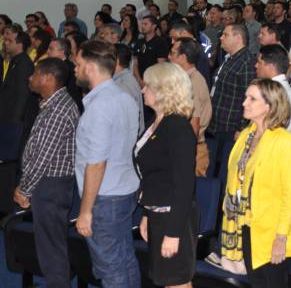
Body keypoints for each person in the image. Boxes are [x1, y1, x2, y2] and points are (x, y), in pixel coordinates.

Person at [220, 79, 291, 286]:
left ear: (269, 106)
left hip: (273, 232)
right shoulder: (246, 135)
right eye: (246, 97)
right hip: (247, 227)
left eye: (252, 99)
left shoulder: (284, 141)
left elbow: (289, 195)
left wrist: (281, 238)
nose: (244, 103)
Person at [73, 40, 142, 287]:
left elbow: (97, 163)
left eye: (78, 64)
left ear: (90, 67)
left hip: (105, 197)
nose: (74, 68)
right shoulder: (123, 97)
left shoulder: (101, 106)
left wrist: (84, 211)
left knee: (110, 269)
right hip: (123, 191)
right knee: (125, 261)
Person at [14, 58, 80, 288]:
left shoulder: (58, 110)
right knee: (50, 246)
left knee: (52, 249)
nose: (29, 78)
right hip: (49, 185)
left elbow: (42, 157)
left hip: (50, 186)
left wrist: (24, 188)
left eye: (34, 73)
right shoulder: (53, 105)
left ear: (48, 79)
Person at [135, 63, 198, 288]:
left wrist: (174, 233)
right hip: (158, 214)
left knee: (176, 283)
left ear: (164, 90)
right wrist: (146, 212)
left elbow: (184, 185)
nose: (143, 90)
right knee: (165, 281)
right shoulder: (158, 122)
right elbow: (155, 175)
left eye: (148, 86)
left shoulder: (177, 126)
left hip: (174, 220)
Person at [207, 24, 257, 174]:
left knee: (225, 169)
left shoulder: (247, 62)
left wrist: (241, 128)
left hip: (231, 127)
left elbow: (250, 97)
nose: (221, 37)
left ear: (238, 38)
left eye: (225, 35)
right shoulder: (229, 58)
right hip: (217, 123)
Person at [168, 39, 213, 176]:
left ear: (183, 57)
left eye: (172, 53)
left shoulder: (192, 82)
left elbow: (195, 123)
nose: (169, 56)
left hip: (191, 151)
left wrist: (185, 155)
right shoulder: (186, 79)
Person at [255, 44, 291, 135]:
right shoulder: (280, 87)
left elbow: (271, 126)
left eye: (259, 62)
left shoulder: (278, 91)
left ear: (270, 66)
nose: (256, 66)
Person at [0, 28, 37, 125]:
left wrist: (16, 120)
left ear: (19, 44)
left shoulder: (24, 63)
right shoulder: (15, 60)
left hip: (13, 119)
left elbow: (23, 93)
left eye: (10, 41)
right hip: (6, 114)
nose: (5, 43)